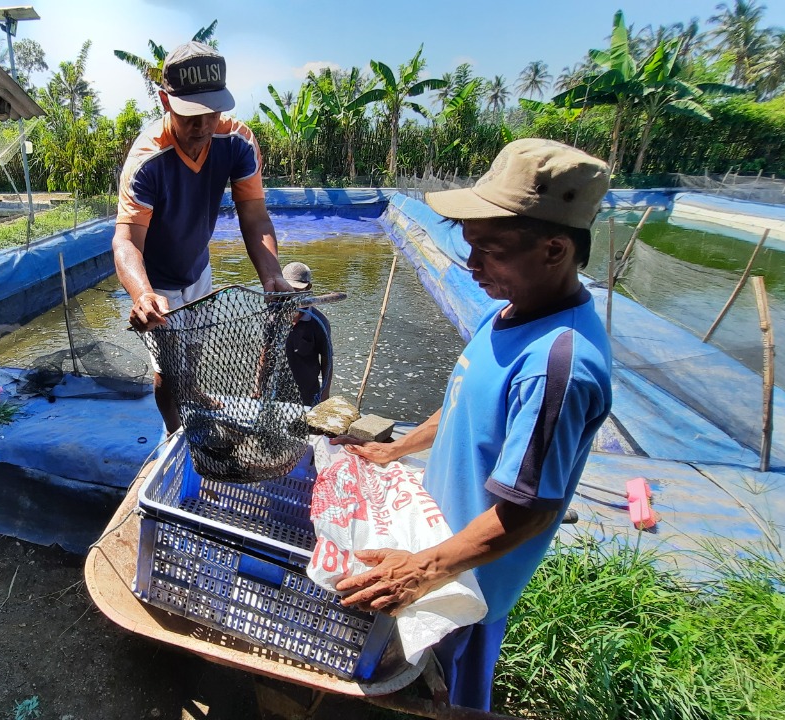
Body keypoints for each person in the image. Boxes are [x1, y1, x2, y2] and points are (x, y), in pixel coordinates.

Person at [333, 139, 613, 710]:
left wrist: (423, 570)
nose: (471, 264)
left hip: (468, 583)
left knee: (451, 696)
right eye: (469, 245)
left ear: (555, 249)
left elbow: (528, 511)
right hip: (436, 541)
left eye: (490, 250)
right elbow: (463, 402)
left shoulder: (556, 365)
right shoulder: (506, 312)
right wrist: (396, 451)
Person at [114, 41, 292, 433]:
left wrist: (272, 275)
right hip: (158, 280)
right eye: (191, 115)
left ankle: (193, 391)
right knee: (167, 368)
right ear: (165, 101)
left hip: (198, 267)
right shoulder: (147, 161)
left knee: (195, 347)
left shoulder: (237, 142)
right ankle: (174, 432)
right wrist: (143, 295)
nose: (203, 126)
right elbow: (126, 240)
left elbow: (255, 216)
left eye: (212, 112)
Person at [281, 262, 332, 406]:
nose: (293, 295)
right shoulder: (274, 317)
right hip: (276, 389)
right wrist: (258, 386)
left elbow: (327, 360)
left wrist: (324, 394)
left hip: (307, 392)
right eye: (289, 289)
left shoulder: (319, 322)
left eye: (298, 290)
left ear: (308, 288)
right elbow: (265, 353)